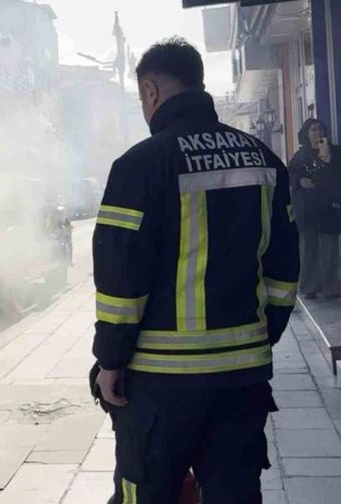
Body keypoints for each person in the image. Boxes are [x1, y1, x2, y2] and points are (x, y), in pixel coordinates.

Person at [93, 37, 299, 503]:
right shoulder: (263, 160)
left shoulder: (139, 166)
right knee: (235, 491)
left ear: (150, 90)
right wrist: (263, 334)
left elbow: (120, 284)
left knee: (147, 491)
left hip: (161, 382)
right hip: (243, 374)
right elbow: (285, 270)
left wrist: (110, 361)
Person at [289, 118, 341, 299]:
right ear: (306, 134)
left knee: (329, 247)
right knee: (309, 248)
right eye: (313, 130)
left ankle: (330, 286)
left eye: (320, 129)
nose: (317, 133)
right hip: (308, 209)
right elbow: (291, 176)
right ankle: (309, 286)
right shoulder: (300, 156)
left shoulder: (334, 152)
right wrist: (299, 181)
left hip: (328, 207)